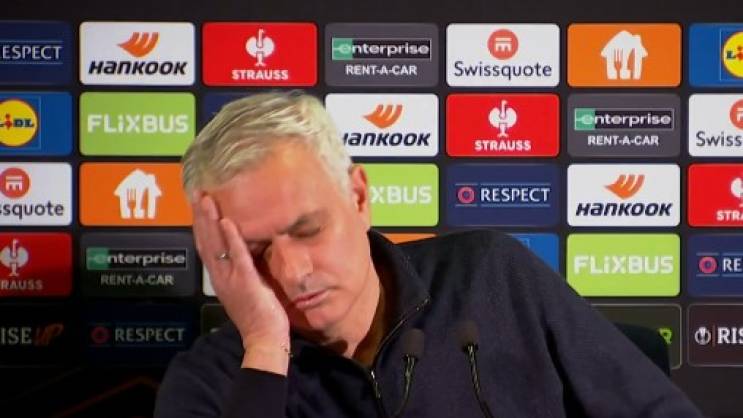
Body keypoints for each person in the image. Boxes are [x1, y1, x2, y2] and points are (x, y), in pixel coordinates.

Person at [154, 91, 704, 418]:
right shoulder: (210, 381)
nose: (293, 272)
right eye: (255, 253)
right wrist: (265, 348)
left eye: (309, 229)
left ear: (358, 196)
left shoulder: (491, 275)